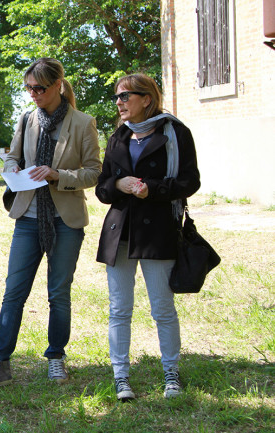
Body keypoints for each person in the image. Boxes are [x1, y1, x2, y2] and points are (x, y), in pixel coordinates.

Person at [0, 58, 101, 391]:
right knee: (13, 293)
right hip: (27, 219)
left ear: (59, 85)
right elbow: (14, 156)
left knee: (59, 294)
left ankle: (56, 358)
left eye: (39, 88)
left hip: (66, 221)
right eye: (29, 88)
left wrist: (59, 175)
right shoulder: (27, 119)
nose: (33, 94)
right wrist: (11, 170)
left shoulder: (83, 123)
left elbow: (94, 173)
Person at [95, 73, 200, 401]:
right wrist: (119, 186)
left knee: (162, 307)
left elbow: (190, 182)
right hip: (120, 231)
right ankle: (120, 376)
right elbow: (102, 187)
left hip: (158, 230)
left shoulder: (175, 132)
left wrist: (150, 189)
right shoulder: (119, 136)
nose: (119, 103)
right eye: (117, 97)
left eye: (125, 96)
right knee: (119, 308)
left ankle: (171, 373)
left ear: (147, 99)